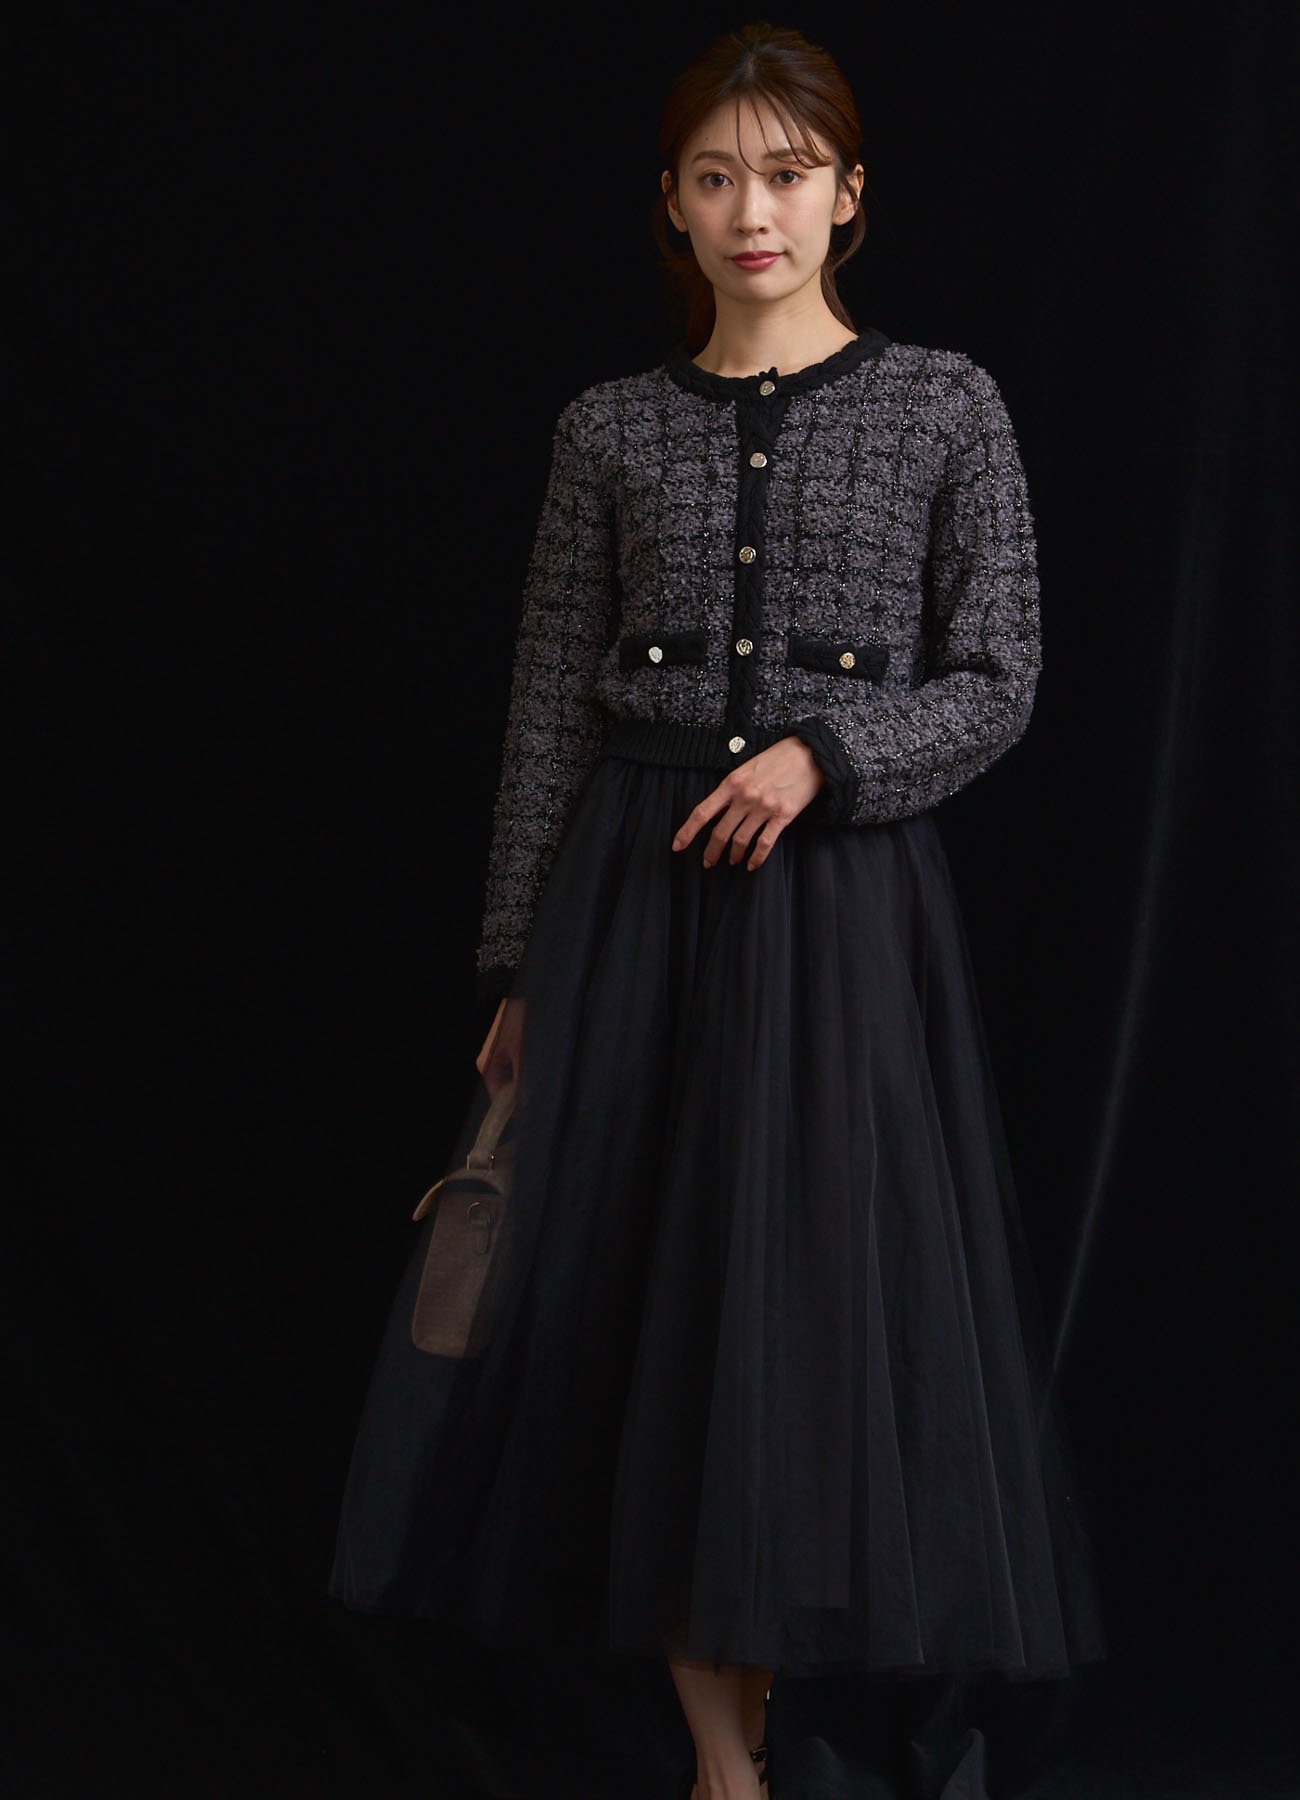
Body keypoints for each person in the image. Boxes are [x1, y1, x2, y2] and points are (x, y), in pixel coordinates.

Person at [328, 21, 1106, 1800]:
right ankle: (721, 1769)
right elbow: (549, 708)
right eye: (715, 175)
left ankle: (750, 1737)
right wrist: (519, 964)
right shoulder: (605, 427)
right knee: (643, 1323)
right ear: (670, 205)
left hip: (841, 927)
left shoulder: (945, 404)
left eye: (786, 172)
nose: (753, 209)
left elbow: (1000, 674)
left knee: (802, 1321)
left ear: (849, 193)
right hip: (630, 912)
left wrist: (830, 753)